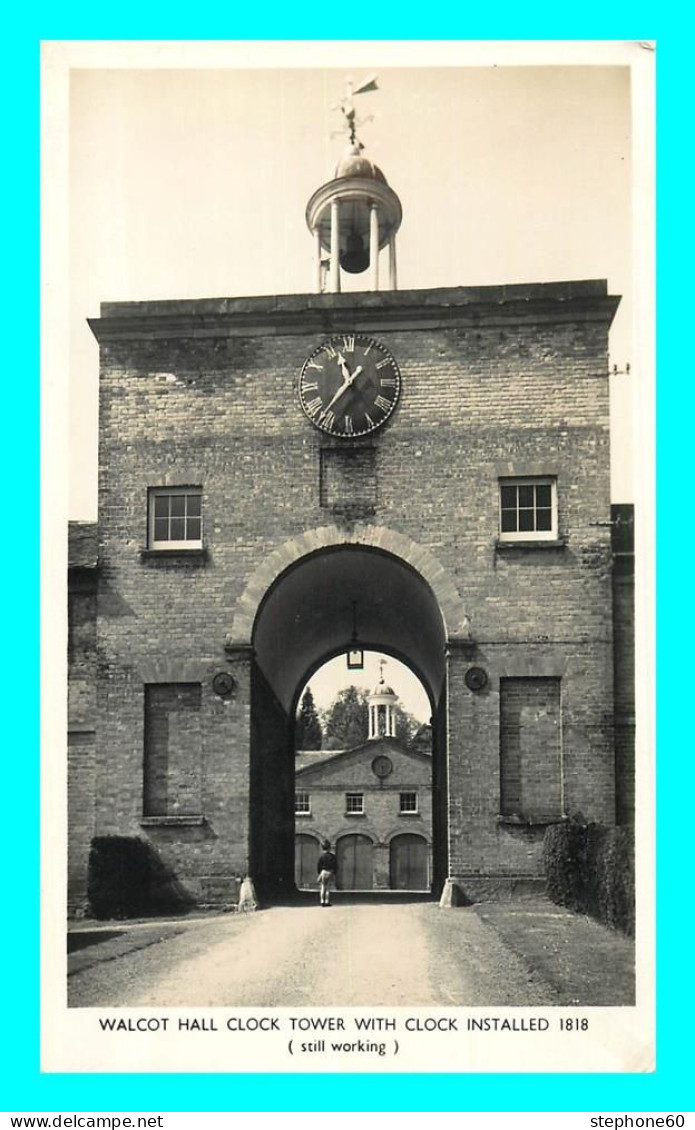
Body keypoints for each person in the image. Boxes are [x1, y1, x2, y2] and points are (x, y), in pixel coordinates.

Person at [316, 839, 338, 907]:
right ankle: (327, 901)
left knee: (323, 887)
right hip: (330, 872)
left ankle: (322, 901)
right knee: (328, 888)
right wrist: (334, 872)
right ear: (329, 848)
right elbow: (335, 865)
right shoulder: (332, 856)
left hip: (323, 871)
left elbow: (319, 865)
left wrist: (319, 872)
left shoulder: (322, 856)